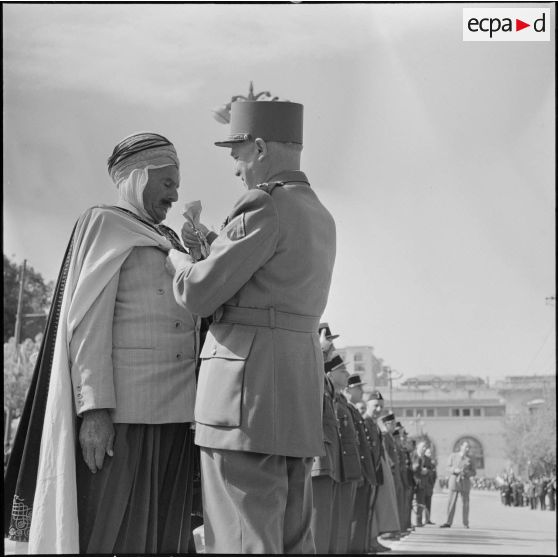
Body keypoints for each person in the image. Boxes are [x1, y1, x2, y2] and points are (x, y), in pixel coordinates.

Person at [4, 132, 198, 554]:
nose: (175, 193)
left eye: (176, 183)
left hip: (180, 413)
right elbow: (87, 324)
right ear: (137, 178)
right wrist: (93, 411)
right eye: (166, 182)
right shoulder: (104, 224)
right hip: (125, 417)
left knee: (166, 538)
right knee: (111, 534)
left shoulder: (172, 239)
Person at [166, 98, 337, 554]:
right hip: (295, 396)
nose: (237, 170)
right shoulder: (319, 213)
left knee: (241, 536)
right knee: (292, 538)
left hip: (245, 399)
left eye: (238, 156)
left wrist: (177, 258)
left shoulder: (262, 203)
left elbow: (199, 294)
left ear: (260, 148)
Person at [310, 324, 342, 554]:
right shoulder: (314, 368)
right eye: (329, 340)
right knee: (317, 520)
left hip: (326, 458)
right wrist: (318, 349)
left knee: (323, 520)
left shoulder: (325, 379)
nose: (333, 346)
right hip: (317, 458)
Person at [326, 356, 362, 554]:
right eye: (342, 371)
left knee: (339, 519)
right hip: (331, 464)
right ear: (330, 374)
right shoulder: (332, 400)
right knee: (329, 521)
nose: (347, 374)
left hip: (343, 466)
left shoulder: (340, 401)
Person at [343, 374, 376, 554]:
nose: (362, 391)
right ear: (349, 389)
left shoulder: (353, 410)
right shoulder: (346, 408)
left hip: (362, 470)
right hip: (355, 470)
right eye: (358, 388)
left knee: (361, 515)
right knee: (354, 517)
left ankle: (360, 549)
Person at [363, 392, 392, 554]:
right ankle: (368, 542)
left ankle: (373, 541)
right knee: (367, 510)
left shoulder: (374, 425)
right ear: (368, 405)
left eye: (381, 406)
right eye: (375, 405)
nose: (379, 409)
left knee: (373, 509)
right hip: (367, 473)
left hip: (375, 472)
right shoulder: (364, 422)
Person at [440, 441, 476, 529]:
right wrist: (454, 470)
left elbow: (474, 472)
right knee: (451, 502)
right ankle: (448, 522)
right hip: (454, 481)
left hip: (465, 482)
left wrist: (467, 473)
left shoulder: (470, 459)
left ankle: (465, 523)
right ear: (461, 447)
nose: (467, 449)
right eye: (465, 447)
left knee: (465, 503)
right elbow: (447, 467)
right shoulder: (453, 456)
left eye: (468, 447)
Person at [423, 446, 437, 523]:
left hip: (429, 485)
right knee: (422, 502)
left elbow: (435, 475)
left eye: (431, 453)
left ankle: (427, 519)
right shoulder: (423, 460)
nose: (430, 454)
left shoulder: (432, 463)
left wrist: (432, 484)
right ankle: (421, 519)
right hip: (424, 484)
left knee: (428, 503)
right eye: (428, 452)